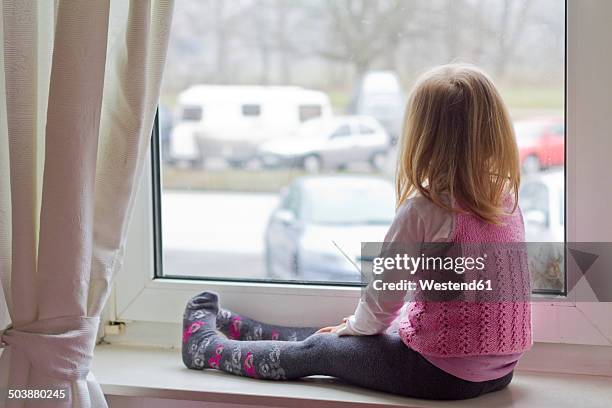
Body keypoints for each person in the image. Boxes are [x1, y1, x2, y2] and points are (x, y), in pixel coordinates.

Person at [181, 63, 532, 400]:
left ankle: (208, 349)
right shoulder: (505, 200)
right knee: (342, 334)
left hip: (439, 374)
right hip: (500, 371)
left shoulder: (426, 210)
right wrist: (353, 327)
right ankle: (249, 330)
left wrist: (355, 328)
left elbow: (383, 298)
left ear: (421, 139)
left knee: (323, 349)